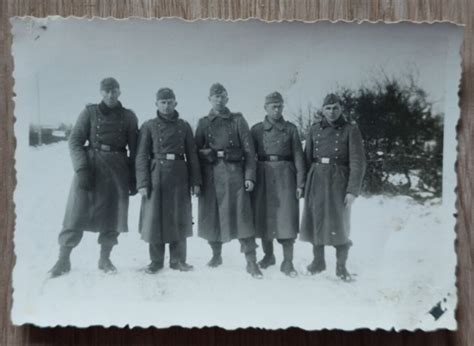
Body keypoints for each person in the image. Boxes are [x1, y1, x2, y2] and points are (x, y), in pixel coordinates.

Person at [49, 77, 138, 278]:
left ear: (119, 92)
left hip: (118, 170)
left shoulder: (129, 117)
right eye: (106, 91)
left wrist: (133, 178)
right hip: (91, 167)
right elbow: (75, 142)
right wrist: (81, 169)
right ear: (101, 92)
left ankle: (105, 259)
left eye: (114, 90)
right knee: (76, 213)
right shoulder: (89, 113)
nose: (110, 94)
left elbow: (135, 149)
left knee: (113, 216)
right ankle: (63, 259)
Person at [195, 83, 262, 279]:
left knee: (242, 217)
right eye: (215, 97)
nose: (219, 100)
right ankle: (216, 256)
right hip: (212, 175)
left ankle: (251, 261)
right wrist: (198, 180)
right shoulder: (204, 123)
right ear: (209, 99)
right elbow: (195, 152)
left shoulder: (238, 120)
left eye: (222, 96)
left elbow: (249, 151)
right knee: (213, 216)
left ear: (227, 98)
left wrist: (249, 176)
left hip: (235, 174)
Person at [300, 93, 366, 282]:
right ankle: (318, 262)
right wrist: (303, 184)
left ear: (341, 109)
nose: (331, 112)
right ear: (322, 110)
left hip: (339, 179)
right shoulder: (314, 129)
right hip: (316, 177)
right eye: (328, 108)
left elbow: (358, 161)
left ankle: (341, 267)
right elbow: (307, 158)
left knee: (339, 222)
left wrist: (352, 190)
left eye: (335, 107)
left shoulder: (350, 130)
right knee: (316, 219)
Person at [136, 88, 201, 273]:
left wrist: (196, 182)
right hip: (157, 175)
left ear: (175, 103)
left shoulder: (184, 126)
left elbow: (193, 155)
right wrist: (142, 183)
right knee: (155, 218)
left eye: (170, 102)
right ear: (156, 104)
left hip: (180, 174)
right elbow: (141, 156)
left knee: (179, 217)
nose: (166, 106)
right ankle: (156, 261)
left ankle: (178, 260)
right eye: (163, 102)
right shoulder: (148, 126)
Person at [250, 91, 305, 277]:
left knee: (286, 217)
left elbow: (298, 156)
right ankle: (268, 256)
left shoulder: (291, 129)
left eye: (280, 106)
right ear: (265, 108)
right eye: (273, 106)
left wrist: (300, 183)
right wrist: (250, 178)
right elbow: (250, 157)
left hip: (285, 177)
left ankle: (288, 262)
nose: (277, 109)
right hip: (263, 174)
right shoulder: (256, 130)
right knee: (265, 216)